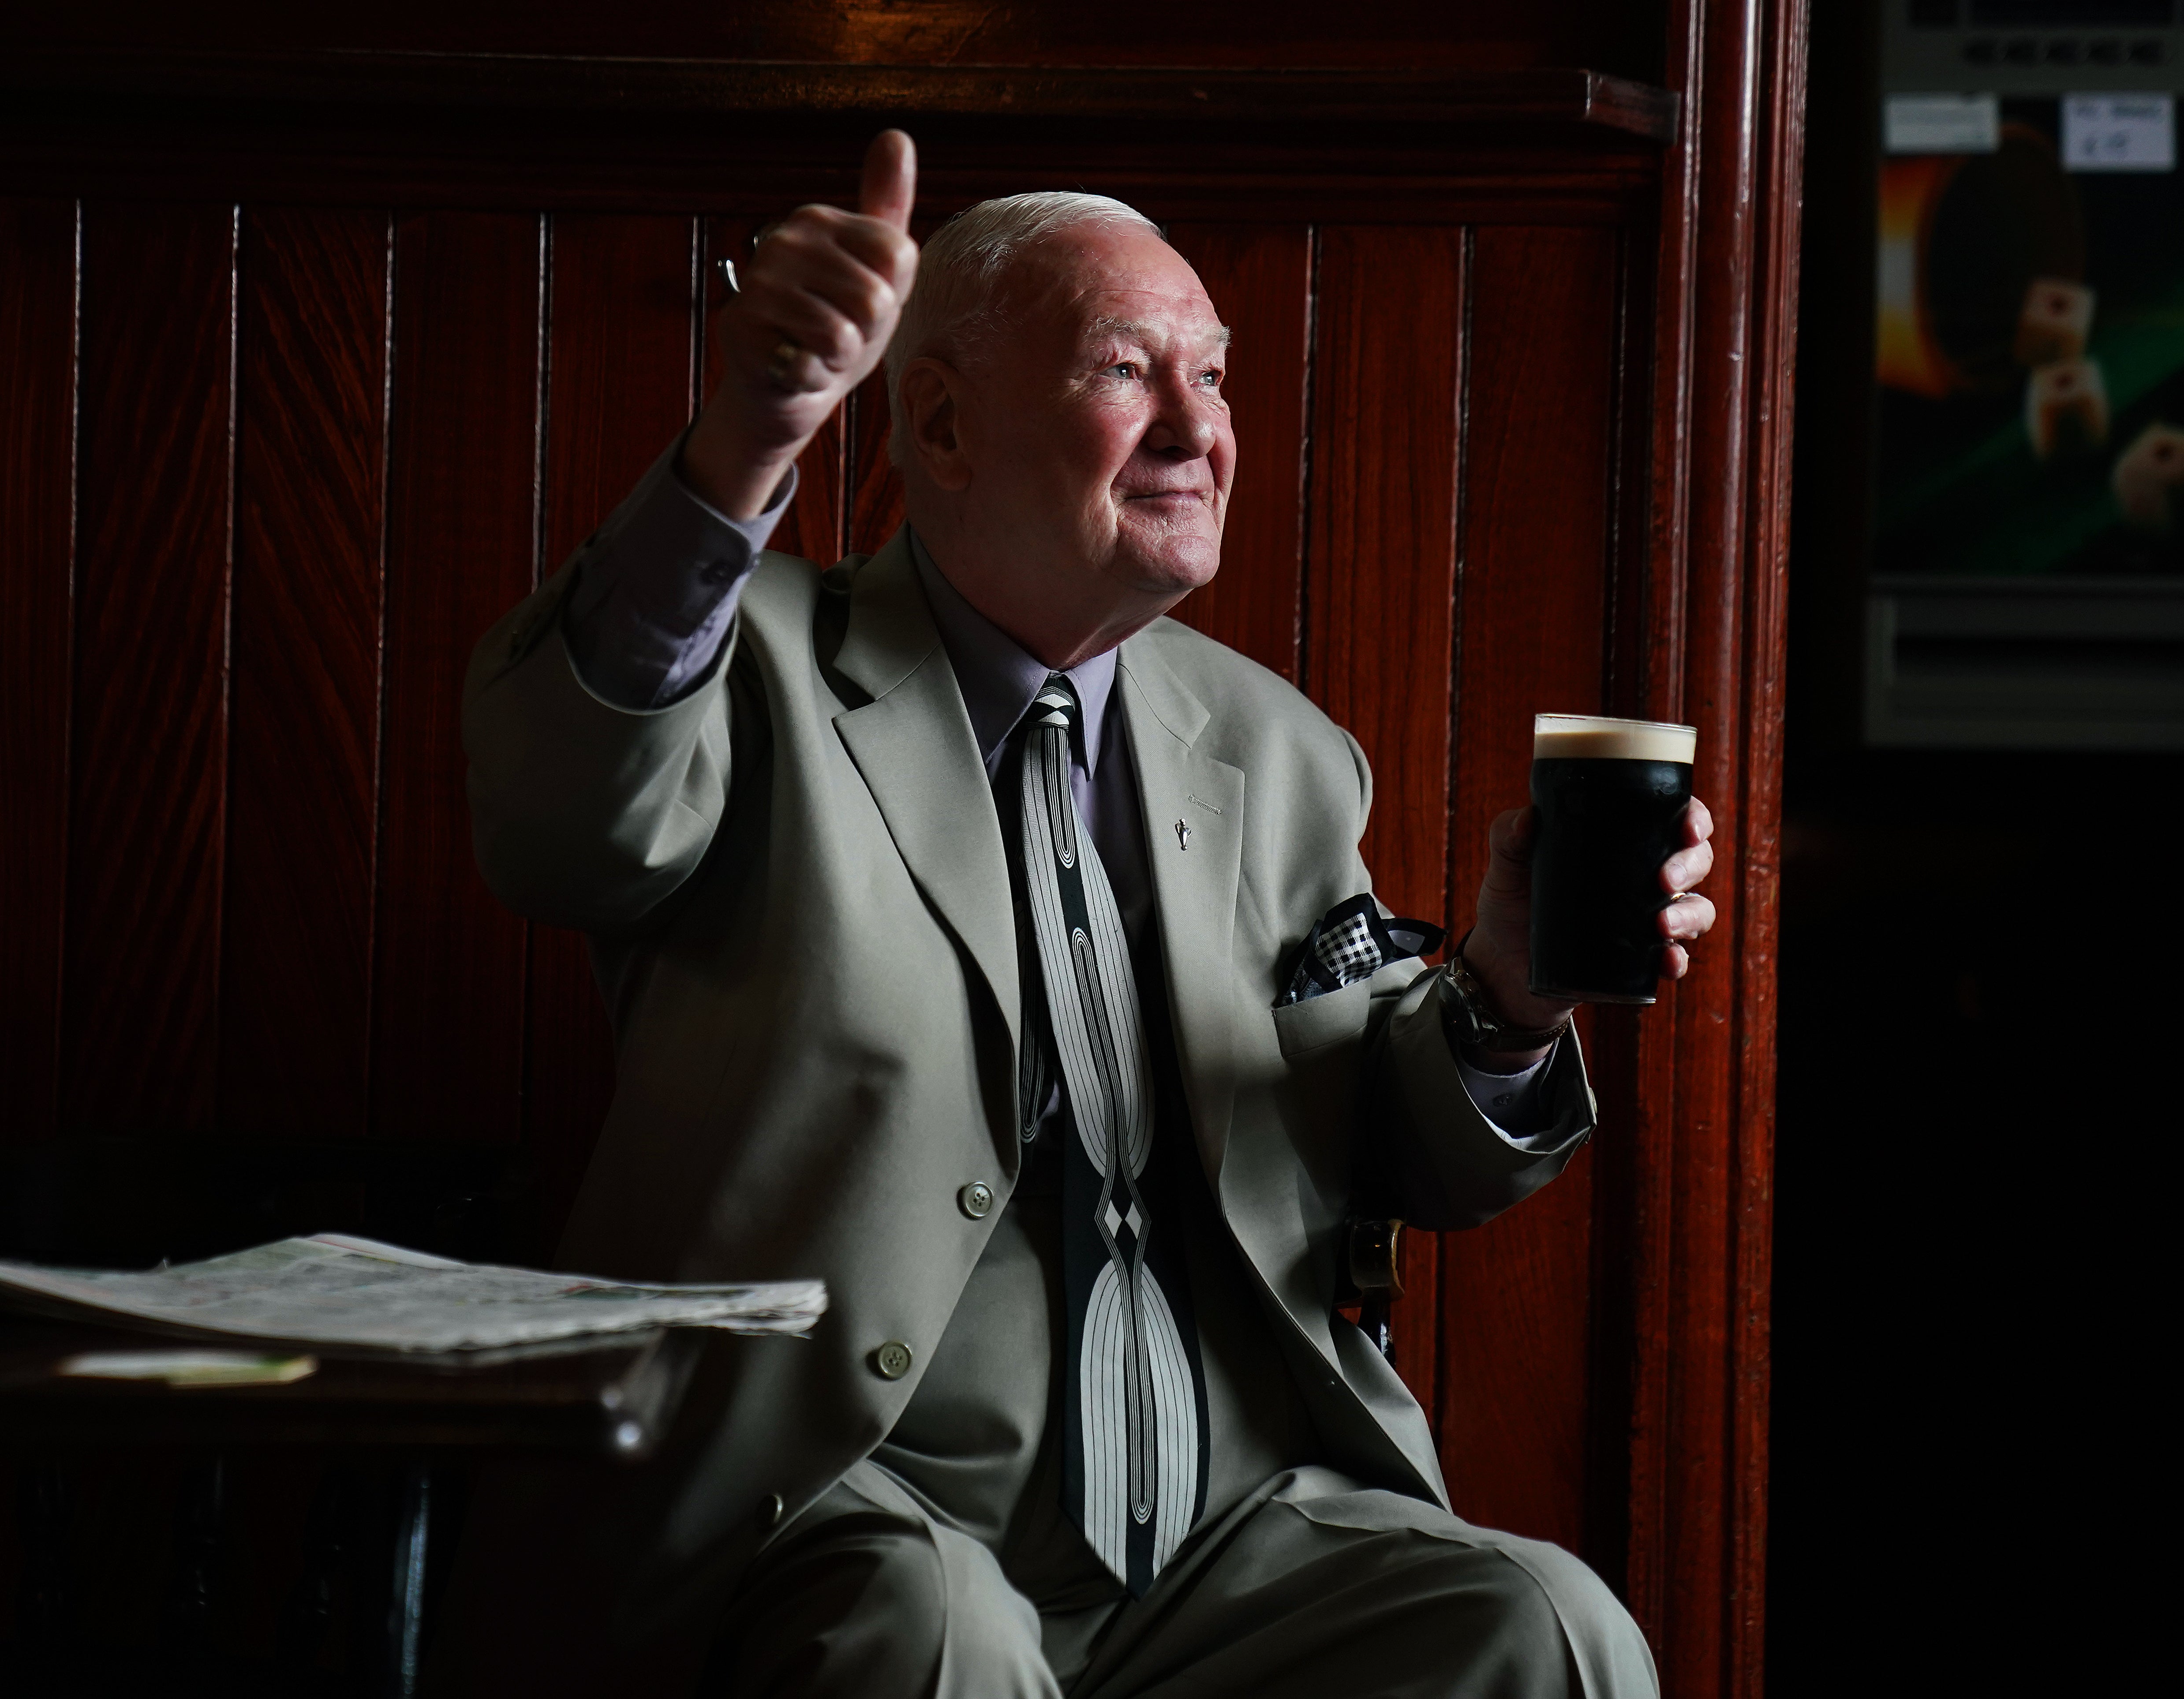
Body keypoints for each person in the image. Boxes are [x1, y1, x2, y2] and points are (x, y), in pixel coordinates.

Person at [453, 129, 1717, 1697]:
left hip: (1227, 1537)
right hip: (850, 1510)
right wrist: (745, 444)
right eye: (1132, 371)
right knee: (933, 1640)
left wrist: (1508, 1002)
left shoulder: (1283, 751)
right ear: (940, 423)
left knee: (1553, 1632)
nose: (1202, 427)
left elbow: (1355, 1139)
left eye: (1219, 375)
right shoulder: (757, 662)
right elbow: (560, 820)